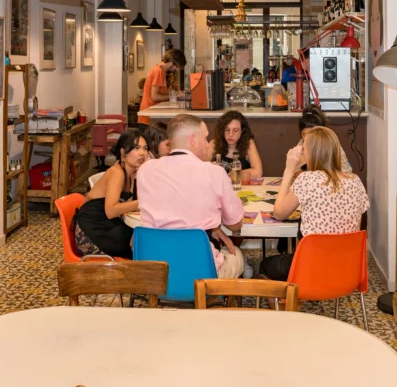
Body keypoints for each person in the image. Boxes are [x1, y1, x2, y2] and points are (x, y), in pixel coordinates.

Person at [136, 114, 248, 279]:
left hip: (154, 271)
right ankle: (218, 300)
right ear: (193, 140)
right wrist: (215, 225)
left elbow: (173, 210)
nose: (208, 143)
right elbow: (235, 225)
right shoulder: (214, 173)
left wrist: (213, 227)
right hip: (201, 274)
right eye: (205, 138)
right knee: (237, 254)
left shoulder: (145, 170)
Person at [260, 126, 369, 281]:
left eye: (304, 149)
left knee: (265, 265)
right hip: (347, 268)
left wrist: (289, 170)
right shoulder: (355, 181)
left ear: (312, 152)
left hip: (311, 267)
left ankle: (289, 303)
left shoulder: (307, 180)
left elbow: (278, 213)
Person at [73, 130, 148, 259]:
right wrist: (144, 202)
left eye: (145, 148)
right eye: (136, 148)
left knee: (141, 236)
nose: (142, 153)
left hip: (107, 226)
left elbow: (127, 207)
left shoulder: (131, 174)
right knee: (140, 240)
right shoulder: (117, 173)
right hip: (91, 232)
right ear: (123, 152)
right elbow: (111, 211)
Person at [210, 110, 264, 179]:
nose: (230, 134)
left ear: (242, 130)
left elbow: (258, 172)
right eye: (227, 130)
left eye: (235, 130)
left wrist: (235, 175)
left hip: (241, 187)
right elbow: (199, 169)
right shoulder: (214, 144)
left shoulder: (248, 143)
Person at [138, 48, 186, 124]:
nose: (177, 70)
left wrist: (176, 92)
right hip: (149, 118)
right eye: (177, 66)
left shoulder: (161, 71)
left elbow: (161, 94)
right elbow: (154, 97)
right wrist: (175, 95)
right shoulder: (158, 71)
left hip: (153, 114)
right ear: (172, 62)